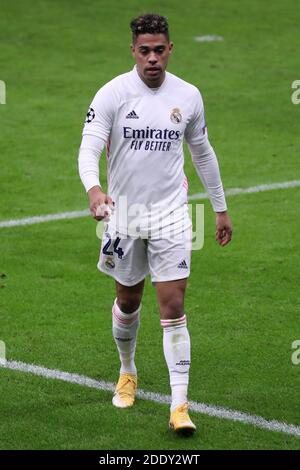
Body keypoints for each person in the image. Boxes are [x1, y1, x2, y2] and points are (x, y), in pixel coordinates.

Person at [78, 13, 232, 436]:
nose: (152, 59)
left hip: (171, 217)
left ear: (170, 49)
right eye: (144, 50)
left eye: (159, 50)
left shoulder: (188, 96)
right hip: (123, 217)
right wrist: (94, 189)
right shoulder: (112, 93)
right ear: (133, 50)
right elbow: (89, 148)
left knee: (174, 308)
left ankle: (179, 405)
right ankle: (127, 371)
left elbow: (203, 153)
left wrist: (220, 207)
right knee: (128, 302)